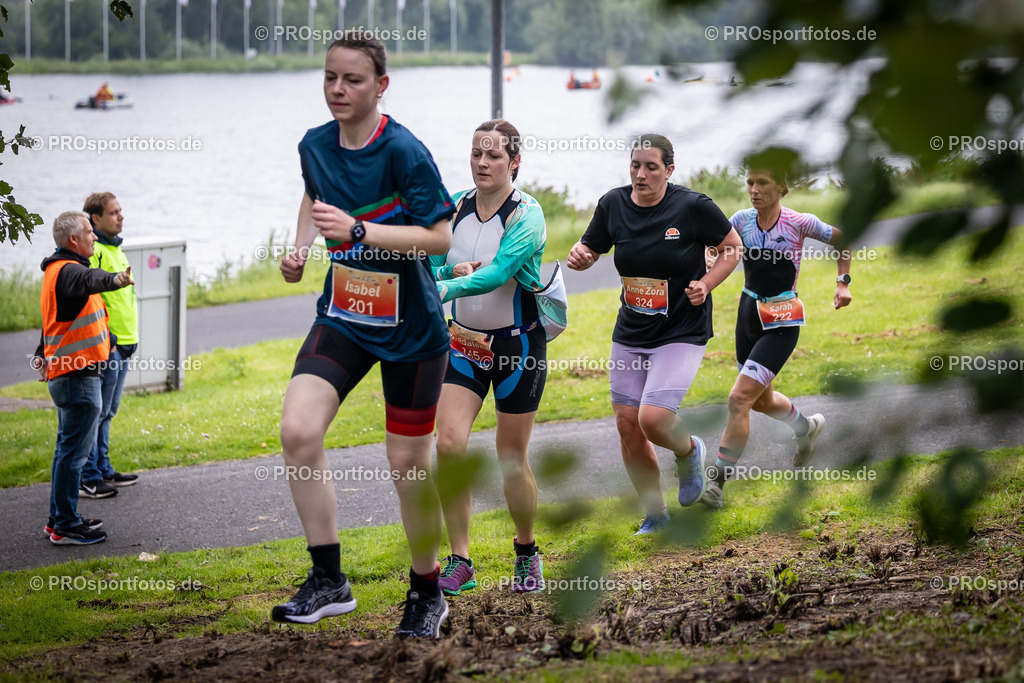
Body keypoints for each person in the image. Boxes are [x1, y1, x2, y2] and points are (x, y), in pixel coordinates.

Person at [270, 31, 456, 640]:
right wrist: (301, 246)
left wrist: (359, 231)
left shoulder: (404, 151)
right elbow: (314, 193)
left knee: (408, 466)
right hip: (345, 314)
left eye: (352, 79)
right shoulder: (314, 144)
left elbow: (439, 237)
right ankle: (329, 580)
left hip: (411, 329)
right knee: (298, 431)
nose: (338, 89)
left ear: (381, 85)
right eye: (330, 77)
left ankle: (427, 592)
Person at [567, 135, 742, 534]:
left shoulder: (693, 206)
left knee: (653, 418)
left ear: (669, 170)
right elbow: (591, 247)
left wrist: (707, 283)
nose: (641, 174)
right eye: (635, 166)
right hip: (631, 330)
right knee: (627, 425)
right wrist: (581, 255)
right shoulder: (613, 204)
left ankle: (689, 451)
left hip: (681, 329)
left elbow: (732, 247)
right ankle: (656, 515)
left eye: (651, 167)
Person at [430, 119, 548, 596]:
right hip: (463, 344)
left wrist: (444, 287)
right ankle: (461, 560)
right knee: (448, 445)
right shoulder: (454, 206)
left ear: (514, 162)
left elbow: (498, 273)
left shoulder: (528, 215)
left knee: (510, 458)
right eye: (477, 153)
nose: (483, 163)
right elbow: (429, 262)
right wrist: (447, 271)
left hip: (518, 346)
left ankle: (527, 551)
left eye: (494, 155)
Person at [704, 162, 852, 508]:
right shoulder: (741, 220)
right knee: (761, 401)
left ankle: (716, 486)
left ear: (782, 186)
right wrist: (710, 257)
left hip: (782, 321)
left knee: (738, 399)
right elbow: (715, 245)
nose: (754, 190)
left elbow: (843, 241)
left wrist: (843, 283)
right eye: (749, 183)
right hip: (748, 316)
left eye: (763, 183)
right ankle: (806, 427)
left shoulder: (799, 222)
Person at [33, 212, 134, 545]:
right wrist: (116, 279)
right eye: (89, 232)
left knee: (66, 451)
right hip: (77, 377)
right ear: (73, 240)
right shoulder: (70, 271)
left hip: (70, 374)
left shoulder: (56, 272)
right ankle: (66, 525)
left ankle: (58, 520)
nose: (94, 237)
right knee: (74, 455)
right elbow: (92, 279)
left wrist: (41, 353)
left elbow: (54, 321)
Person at [79, 193, 140, 500]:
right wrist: (111, 341)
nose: (120, 216)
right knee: (97, 412)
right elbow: (92, 296)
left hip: (125, 343)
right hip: (109, 346)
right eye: (113, 212)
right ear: (96, 219)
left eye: (120, 211)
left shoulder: (116, 248)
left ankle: (103, 468)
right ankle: (89, 475)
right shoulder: (96, 252)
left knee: (108, 412)